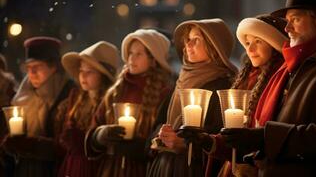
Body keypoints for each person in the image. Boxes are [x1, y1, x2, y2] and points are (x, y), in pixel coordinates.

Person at [220, 0, 316, 177]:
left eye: (295, 19)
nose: (288, 28)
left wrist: (264, 136)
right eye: (287, 20)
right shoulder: (295, 64)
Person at [178, 15, 288, 177]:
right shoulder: (245, 79)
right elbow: (232, 137)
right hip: (233, 165)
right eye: (248, 43)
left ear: (273, 44)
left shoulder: (281, 80)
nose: (250, 49)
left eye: (258, 41)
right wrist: (208, 141)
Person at [146, 18, 238, 177]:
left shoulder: (223, 86)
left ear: (214, 46)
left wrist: (185, 144)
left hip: (194, 169)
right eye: (187, 39)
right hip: (165, 166)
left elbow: (222, 137)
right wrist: (162, 135)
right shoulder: (180, 82)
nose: (188, 45)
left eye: (196, 40)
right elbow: (158, 123)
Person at [85, 29, 173, 177]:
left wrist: (141, 148)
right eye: (130, 53)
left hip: (142, 170)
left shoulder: (163, 94)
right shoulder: (116, 91)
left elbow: (163, 141)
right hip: (110, 169)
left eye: (139, 54)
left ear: (153, 59)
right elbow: (94, 127)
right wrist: (100, 135)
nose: (132, 59)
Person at [3, 36, 75, 177]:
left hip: (54, 169)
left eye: (37, 67)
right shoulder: (23, 96)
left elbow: (66, 144)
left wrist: (32, 146)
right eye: (28, 68)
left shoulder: (67, 94)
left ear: (53, 67)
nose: (31, 73)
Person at [56, 41, 119, 177]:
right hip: (73, 164)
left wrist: (81, 140)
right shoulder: (76, 98)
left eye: (89, 71)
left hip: (94, 165)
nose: (83, 76)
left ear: (102, 76)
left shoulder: (108, 103)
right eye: (81, 71)